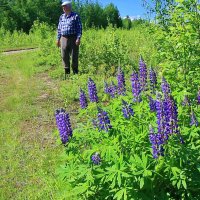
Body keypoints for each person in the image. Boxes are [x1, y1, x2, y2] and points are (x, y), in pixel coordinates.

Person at [56, 0, 82, 79]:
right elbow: (59, 29)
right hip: (63, 38)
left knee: (74, 56)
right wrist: (58, 39)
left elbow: (79, 28)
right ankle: (67, 73)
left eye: (65, 6)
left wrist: (78, 38)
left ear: (69, 7)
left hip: (73, 38)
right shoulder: (61, 17)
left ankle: (75, 73)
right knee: (64, 56)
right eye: (63, 6)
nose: (63, 8)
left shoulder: (75, 16)